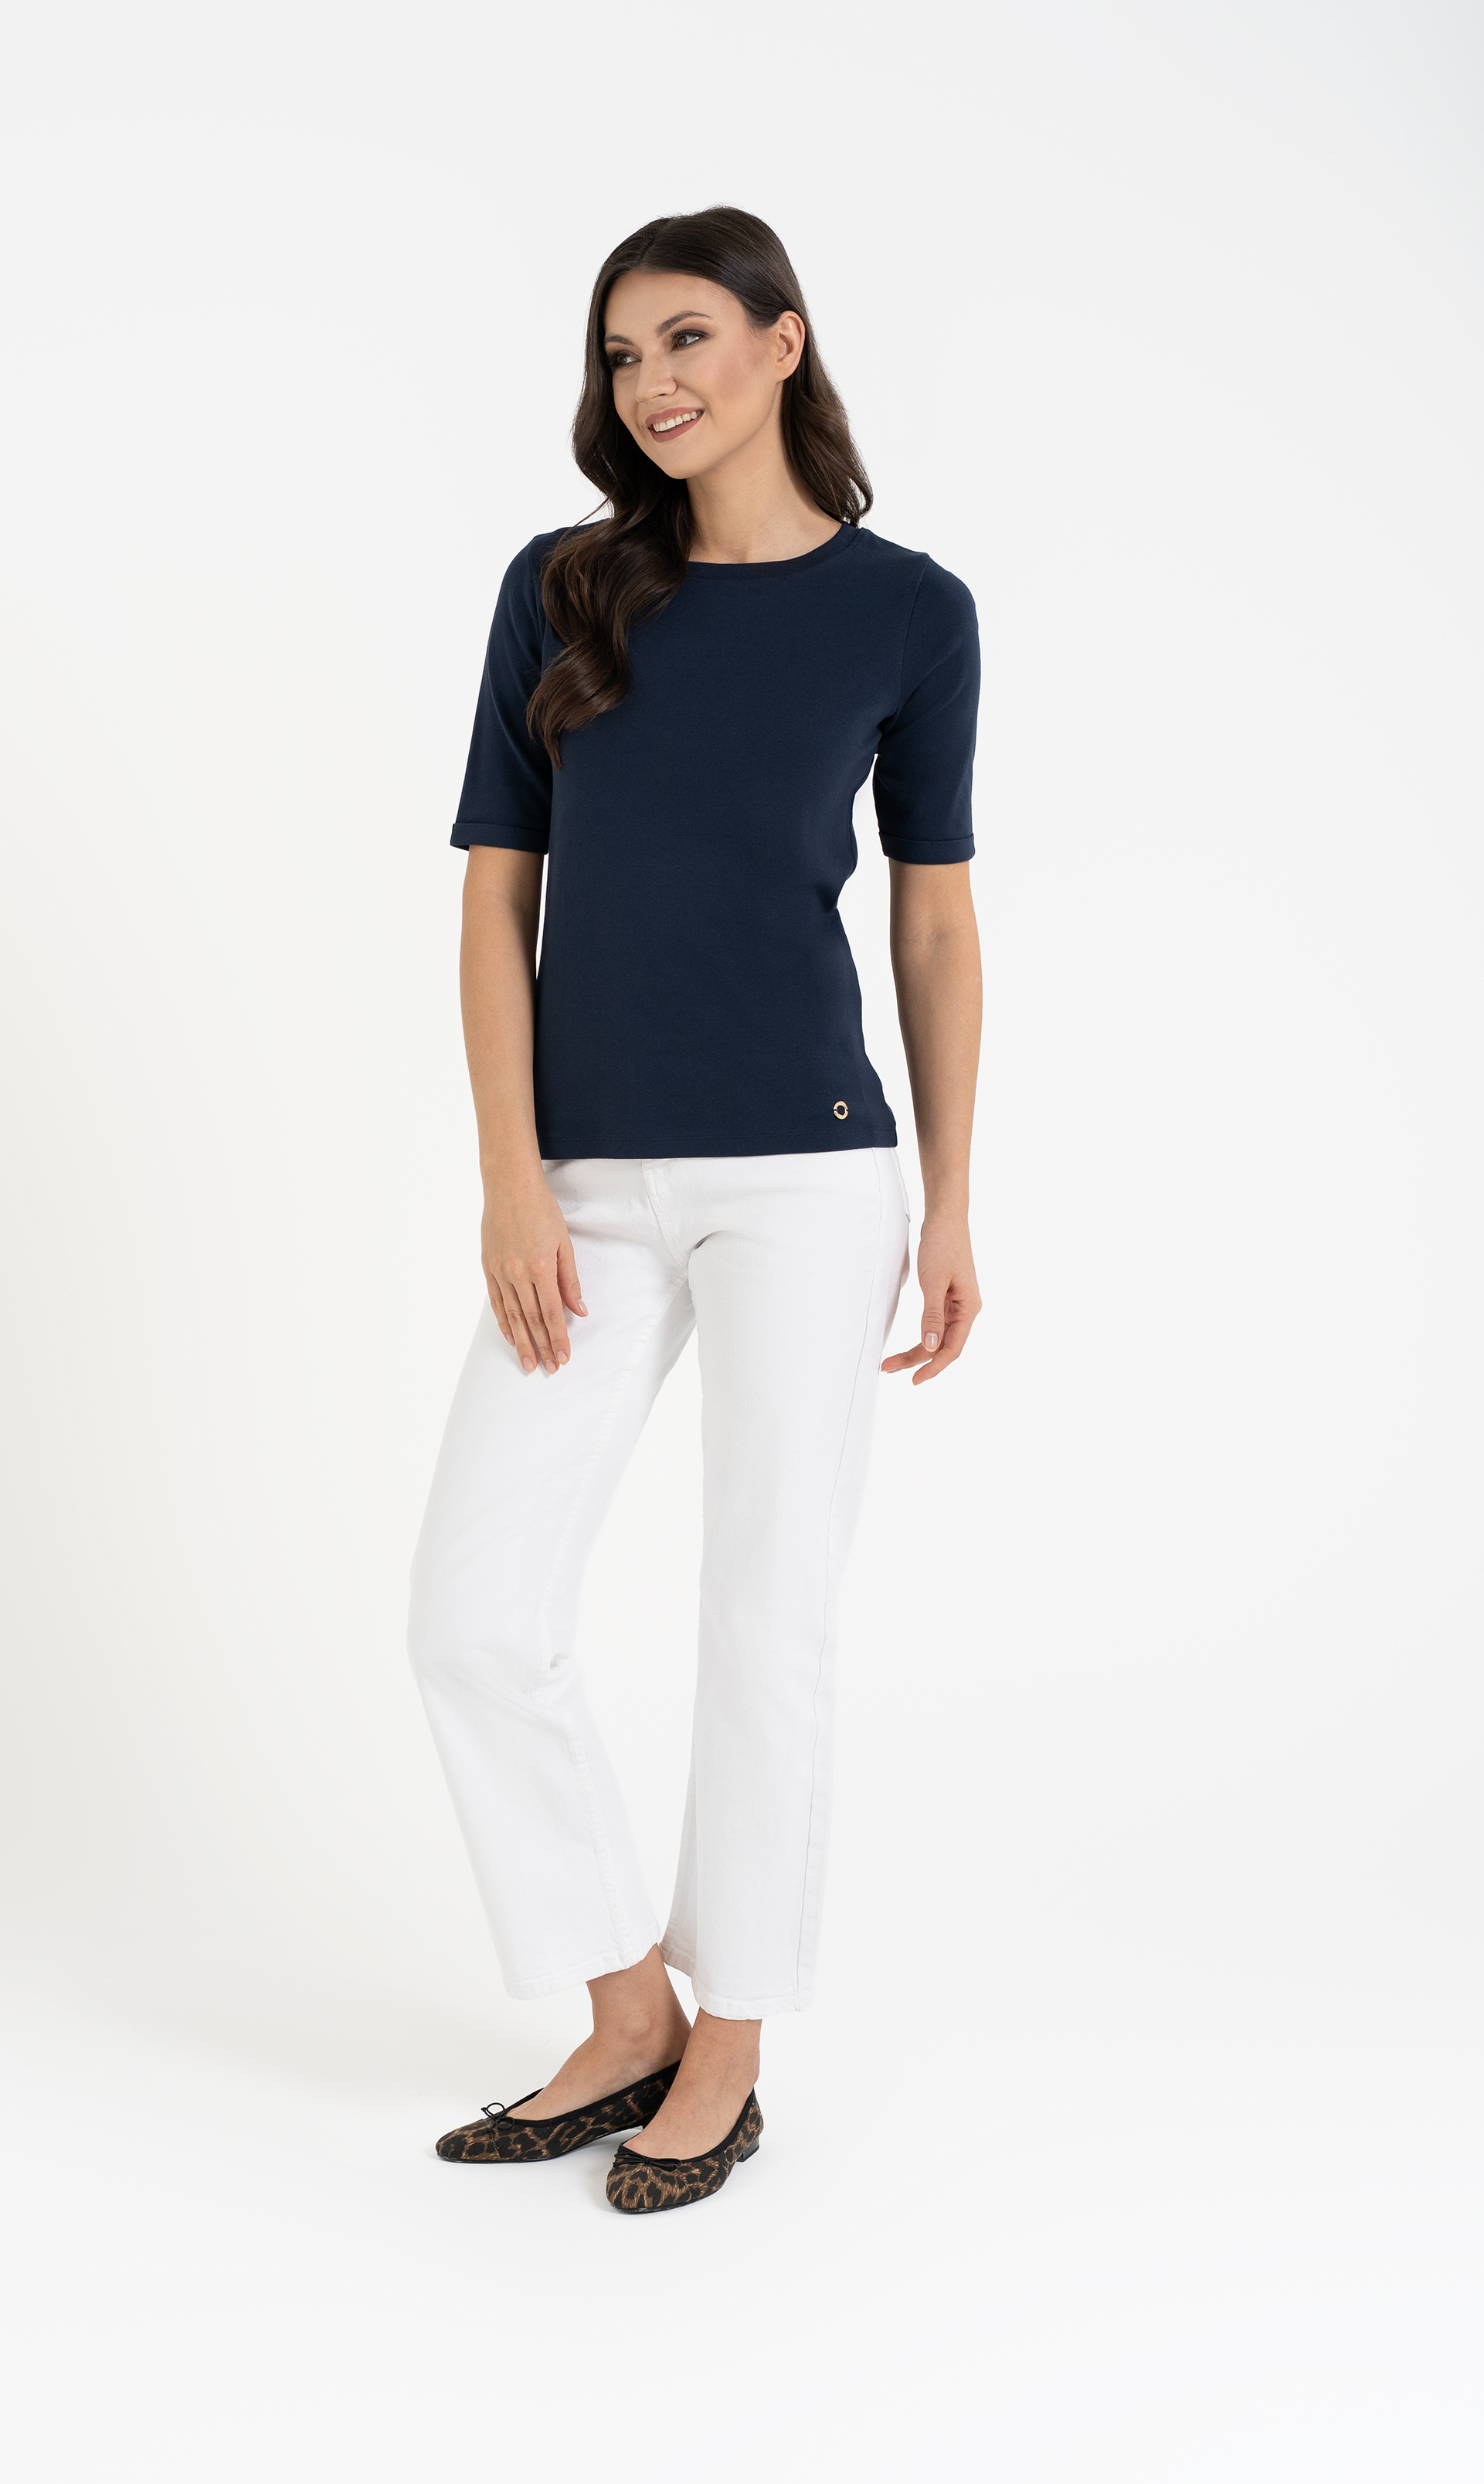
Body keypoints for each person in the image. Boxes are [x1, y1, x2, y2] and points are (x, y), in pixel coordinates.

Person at [408, 206, 983, 2214]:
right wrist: (511, 1175)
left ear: (781, 343)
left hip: (811, 1173)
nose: (651, 383)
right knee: (473, 1611)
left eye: (685, 338)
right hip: (584, 1178)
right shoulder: (562, 589)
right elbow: (496, 893)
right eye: (622, 353)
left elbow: (934, 920)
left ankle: (728, 2041)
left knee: (764, 1610)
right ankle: (624, 2000)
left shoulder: (909, 614)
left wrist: (952, 1198)